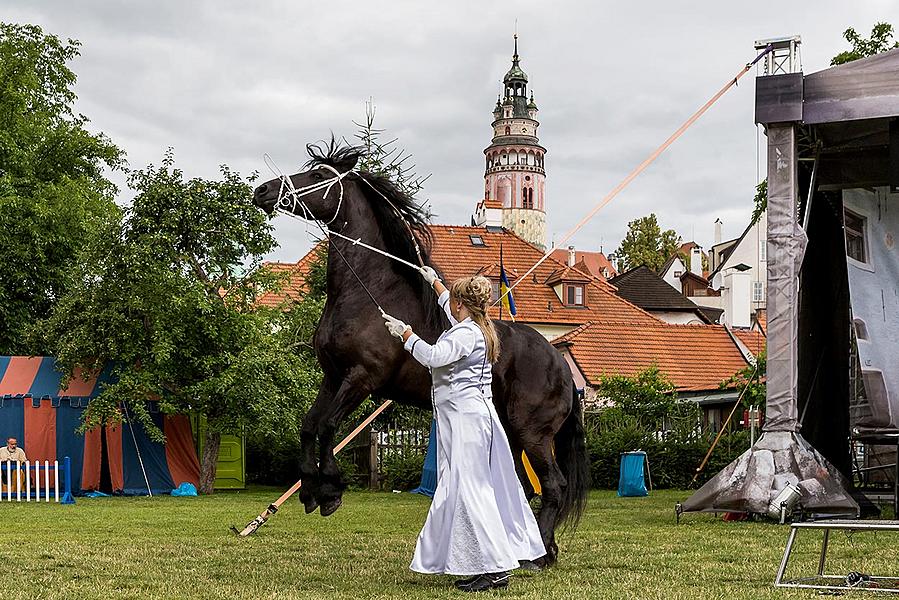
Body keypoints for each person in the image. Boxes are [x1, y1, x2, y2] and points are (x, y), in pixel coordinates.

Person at [382, 270, 545, 593]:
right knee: (467, 491)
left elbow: (433, 357)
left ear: (462, 305)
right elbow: (449, 304)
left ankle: (496, 568)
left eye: (453, 300)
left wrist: (406, 335)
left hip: (466, 422)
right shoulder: (476, 328)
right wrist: (435, 283)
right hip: (471, 420)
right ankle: (485, 564)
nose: (450, 305)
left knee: (471, 492)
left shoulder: (464, 335)